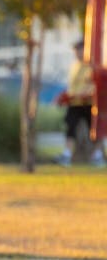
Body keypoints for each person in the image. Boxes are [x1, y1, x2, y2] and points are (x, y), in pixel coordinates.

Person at [56, 40, 106, 168]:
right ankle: (66, 155)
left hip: (89, 104)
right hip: (74, 103)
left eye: (80, 49)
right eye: (76, 50)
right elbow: (73, 87)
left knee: (96, 130)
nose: (78, 53)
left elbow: (95, 85)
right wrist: (65, 96)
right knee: (70, 127)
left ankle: (97, 155)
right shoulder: (74, 66)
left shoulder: (92, 65)